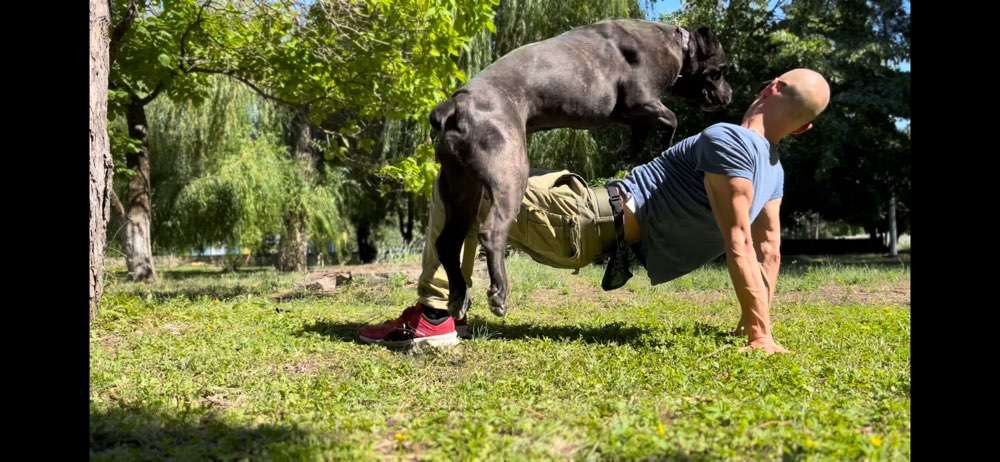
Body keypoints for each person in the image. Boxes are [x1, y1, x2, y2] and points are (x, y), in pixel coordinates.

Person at [359, 68, 831, 355]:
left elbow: (739, 244)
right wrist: (755, 324)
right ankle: (448, 312)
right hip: (590, 225)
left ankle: (434, 318)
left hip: (585, 218)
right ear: (806, 128)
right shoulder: (774, 170)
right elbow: (768, 251)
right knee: (480, 184)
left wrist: (758, 336)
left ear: (771, 87)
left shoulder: (727, 139)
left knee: (460, 179)